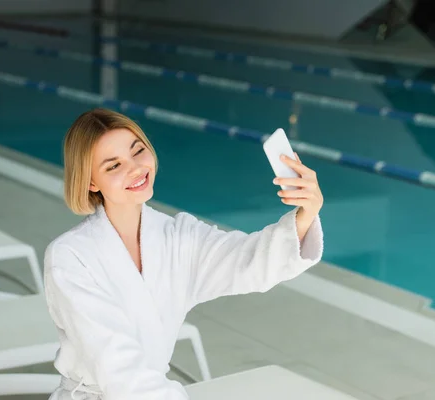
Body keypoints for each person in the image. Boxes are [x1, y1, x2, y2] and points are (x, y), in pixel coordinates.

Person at [43, 108, 324, 399]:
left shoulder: (178, 237)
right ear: (90, 182)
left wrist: (306, 213)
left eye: (138, 151)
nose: (135, 168)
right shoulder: (70, 257)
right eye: (113, 166)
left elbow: (250, 261)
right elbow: (119, 367)